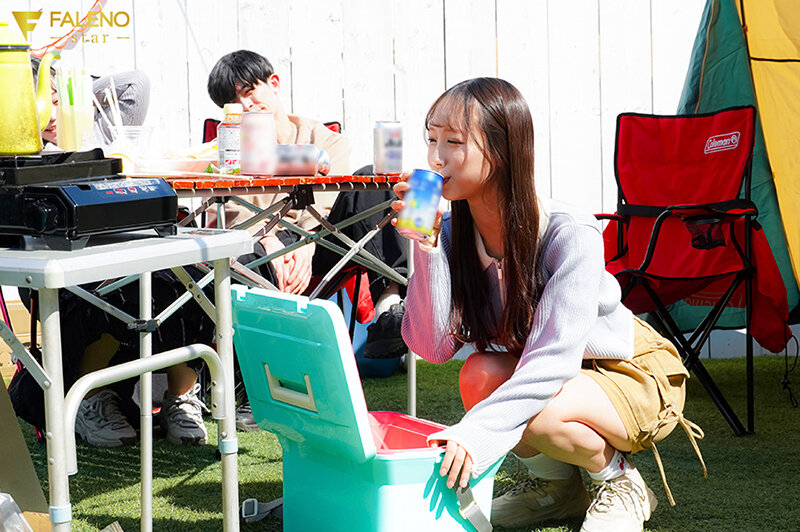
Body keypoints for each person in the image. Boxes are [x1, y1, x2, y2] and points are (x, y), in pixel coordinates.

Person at [392, 77, 703, 531]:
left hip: (626, 370)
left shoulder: (569, 231)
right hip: (552, 373)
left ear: (502, 151)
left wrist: (476, 432)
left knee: (534, 407)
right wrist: (426, 247)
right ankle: (558, 490)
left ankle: (620, 480)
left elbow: (552, 363)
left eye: (454, 142)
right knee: (480, 375)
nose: (435, 158)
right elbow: (432, 347)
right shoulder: (451, 233)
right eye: (432, 139)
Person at [206, 50, 409, 429]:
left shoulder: (325, 140)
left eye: (249, 91)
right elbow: (229, 214)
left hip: (326, 243)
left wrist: (306, 242)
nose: (245, 105)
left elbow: (330, 201)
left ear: (274, 84)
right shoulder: (229, 147)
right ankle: (256, 386)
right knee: (242, 254)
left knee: (374, 177)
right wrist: (270, 241)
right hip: (261, 247)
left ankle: (390, 306)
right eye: (231, 102)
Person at [30, 55, 150, 147]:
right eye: (36, 109)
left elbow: (137, 82)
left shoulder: (99, 137)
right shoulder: (24, 157)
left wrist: (79, 95)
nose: (51, 117)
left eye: (57, 101)